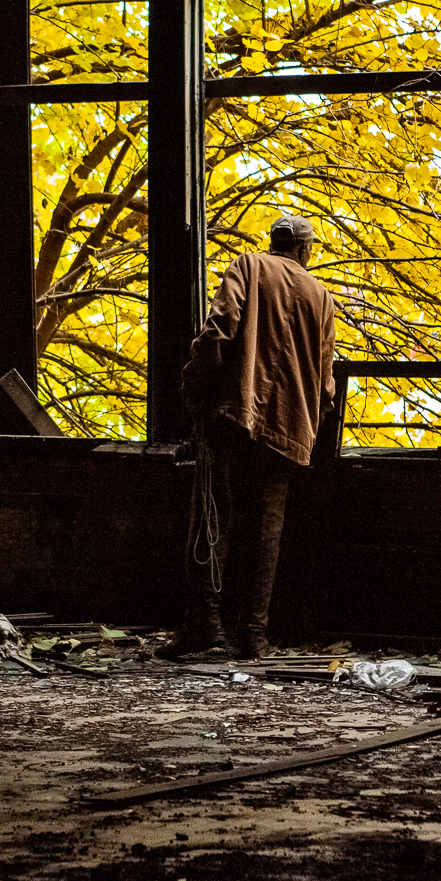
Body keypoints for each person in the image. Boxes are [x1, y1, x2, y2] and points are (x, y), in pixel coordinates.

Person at [164, 214, 337, 661]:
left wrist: (195, 388)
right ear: (305, 250)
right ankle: (253, 638)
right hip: (290, 427)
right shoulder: (321, 296)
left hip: (236, 416)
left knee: (212, 520)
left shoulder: (248, 265)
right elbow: (327, 383)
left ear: (275, 243)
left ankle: (205, 628)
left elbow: (217, 330)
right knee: (266, 535)